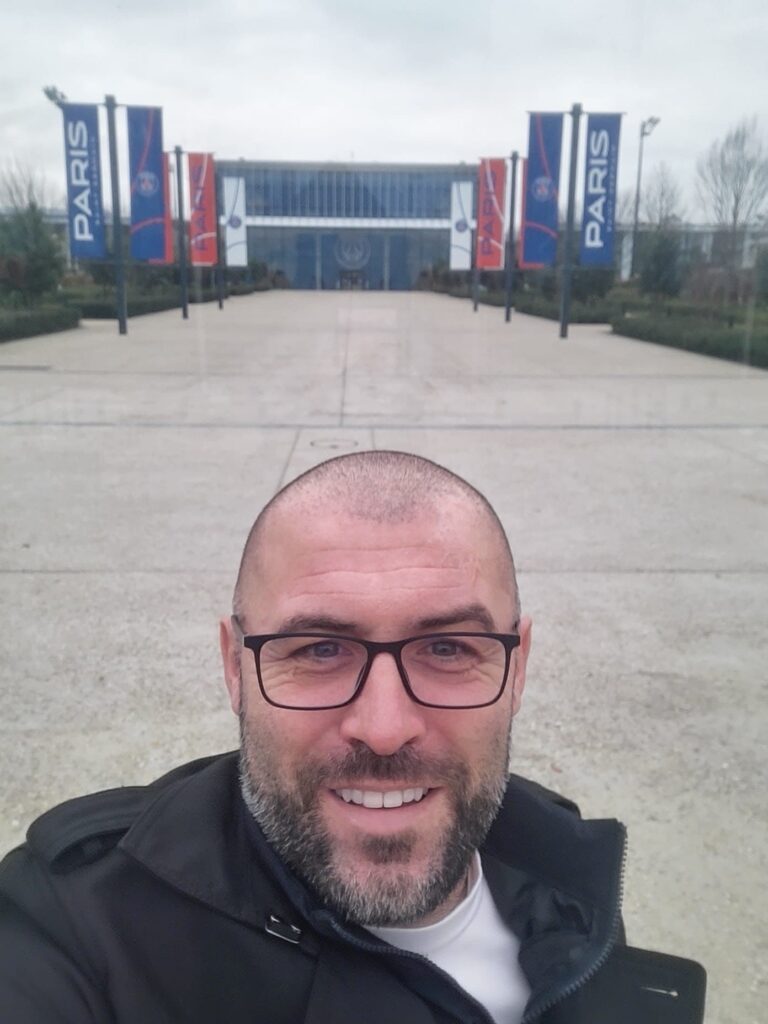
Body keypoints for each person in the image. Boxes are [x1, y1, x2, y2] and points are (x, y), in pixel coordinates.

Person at [0, 451, 702, 1024]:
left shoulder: (563, 872)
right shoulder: (76, 925)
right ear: (234, 668)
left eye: (449, 649)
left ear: (516, 670)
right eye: (319, 650)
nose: (385, 729)